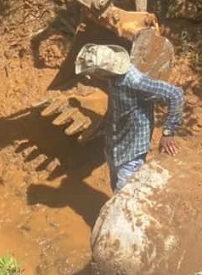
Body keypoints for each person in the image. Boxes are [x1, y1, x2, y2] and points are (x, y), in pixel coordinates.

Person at [75, 43, 184, 193]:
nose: (92, 76)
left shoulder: (135, 81)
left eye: (94, 73)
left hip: (132, 152)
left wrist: (168, 132)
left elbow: (175, 94)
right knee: (115, 190)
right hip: (114, 145)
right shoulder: (113, 76)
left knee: (124, 195)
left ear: (103, 72)